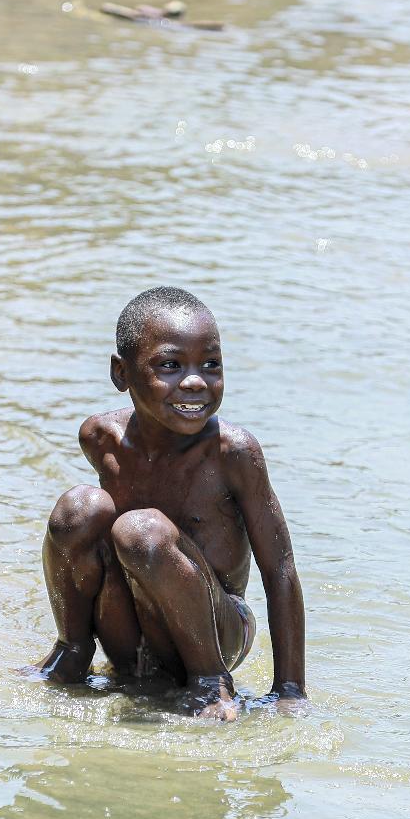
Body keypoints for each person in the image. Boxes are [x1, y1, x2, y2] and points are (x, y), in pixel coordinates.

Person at [33, 286, 306, 720]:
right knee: (79, 508)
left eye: (211, 364)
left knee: (141, 530)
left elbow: (281, 567)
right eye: (171, 365)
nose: (196, 381)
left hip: (216, 631)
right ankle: (72, 651)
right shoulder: (101, 439)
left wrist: (290, 690)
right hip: (131, 634)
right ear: (122, 374)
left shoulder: (232, 453)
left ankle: (210, 683)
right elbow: (92, 550)